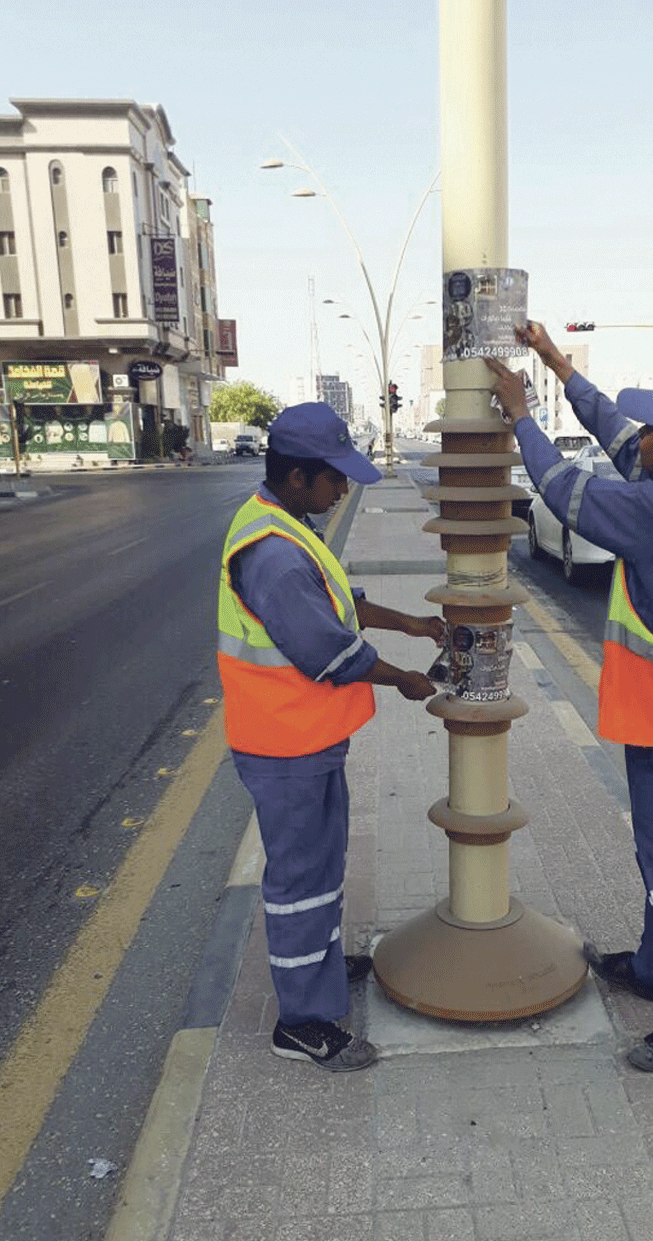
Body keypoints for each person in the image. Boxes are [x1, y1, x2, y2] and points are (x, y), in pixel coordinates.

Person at [486, 323, 653, 1073]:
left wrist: (522, 415)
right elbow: (617, 429)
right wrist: (553, 358)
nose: (641, 439)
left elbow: (566, 492)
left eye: (652, 432)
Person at [218, 402, 444, 1072]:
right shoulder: (274, 556)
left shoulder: (288, 526)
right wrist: (404, 678)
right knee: (298, 879)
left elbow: (344, 600)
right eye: (334, 478)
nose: (343, 489)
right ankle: (302, 1022)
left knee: (322, 866)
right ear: (295, 477)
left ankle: (320, 969)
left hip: (308, 739)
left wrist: (416, 625)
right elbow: (330, 649)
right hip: (283, 745)